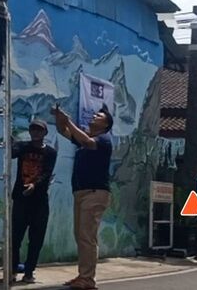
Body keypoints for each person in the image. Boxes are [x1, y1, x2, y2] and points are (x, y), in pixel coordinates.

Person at [51, 104, 114, 290]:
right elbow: (63, 131)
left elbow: (86, 141)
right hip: (81, 192)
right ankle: (83, 275)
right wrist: (60, 117)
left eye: (99, 116)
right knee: (80, 236)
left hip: (95, 192)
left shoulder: (104, 139)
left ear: (106, 125)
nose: (94, 116)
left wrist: (69, 121)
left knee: (87, 236)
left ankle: (87, 279)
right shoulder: (85, 139)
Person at [10, 119, 58, 284]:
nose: (36, 132)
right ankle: (12, 269)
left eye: (39, 130)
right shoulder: (23, 147)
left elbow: (47, 173)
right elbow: (11, 153)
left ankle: (29, 272)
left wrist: (34, 185)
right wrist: (9, 139)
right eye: (33, 129)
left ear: (45, 133)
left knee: (36, 239)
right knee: (15, 237)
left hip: (39, 201)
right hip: (21, 199)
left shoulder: (50, 152)